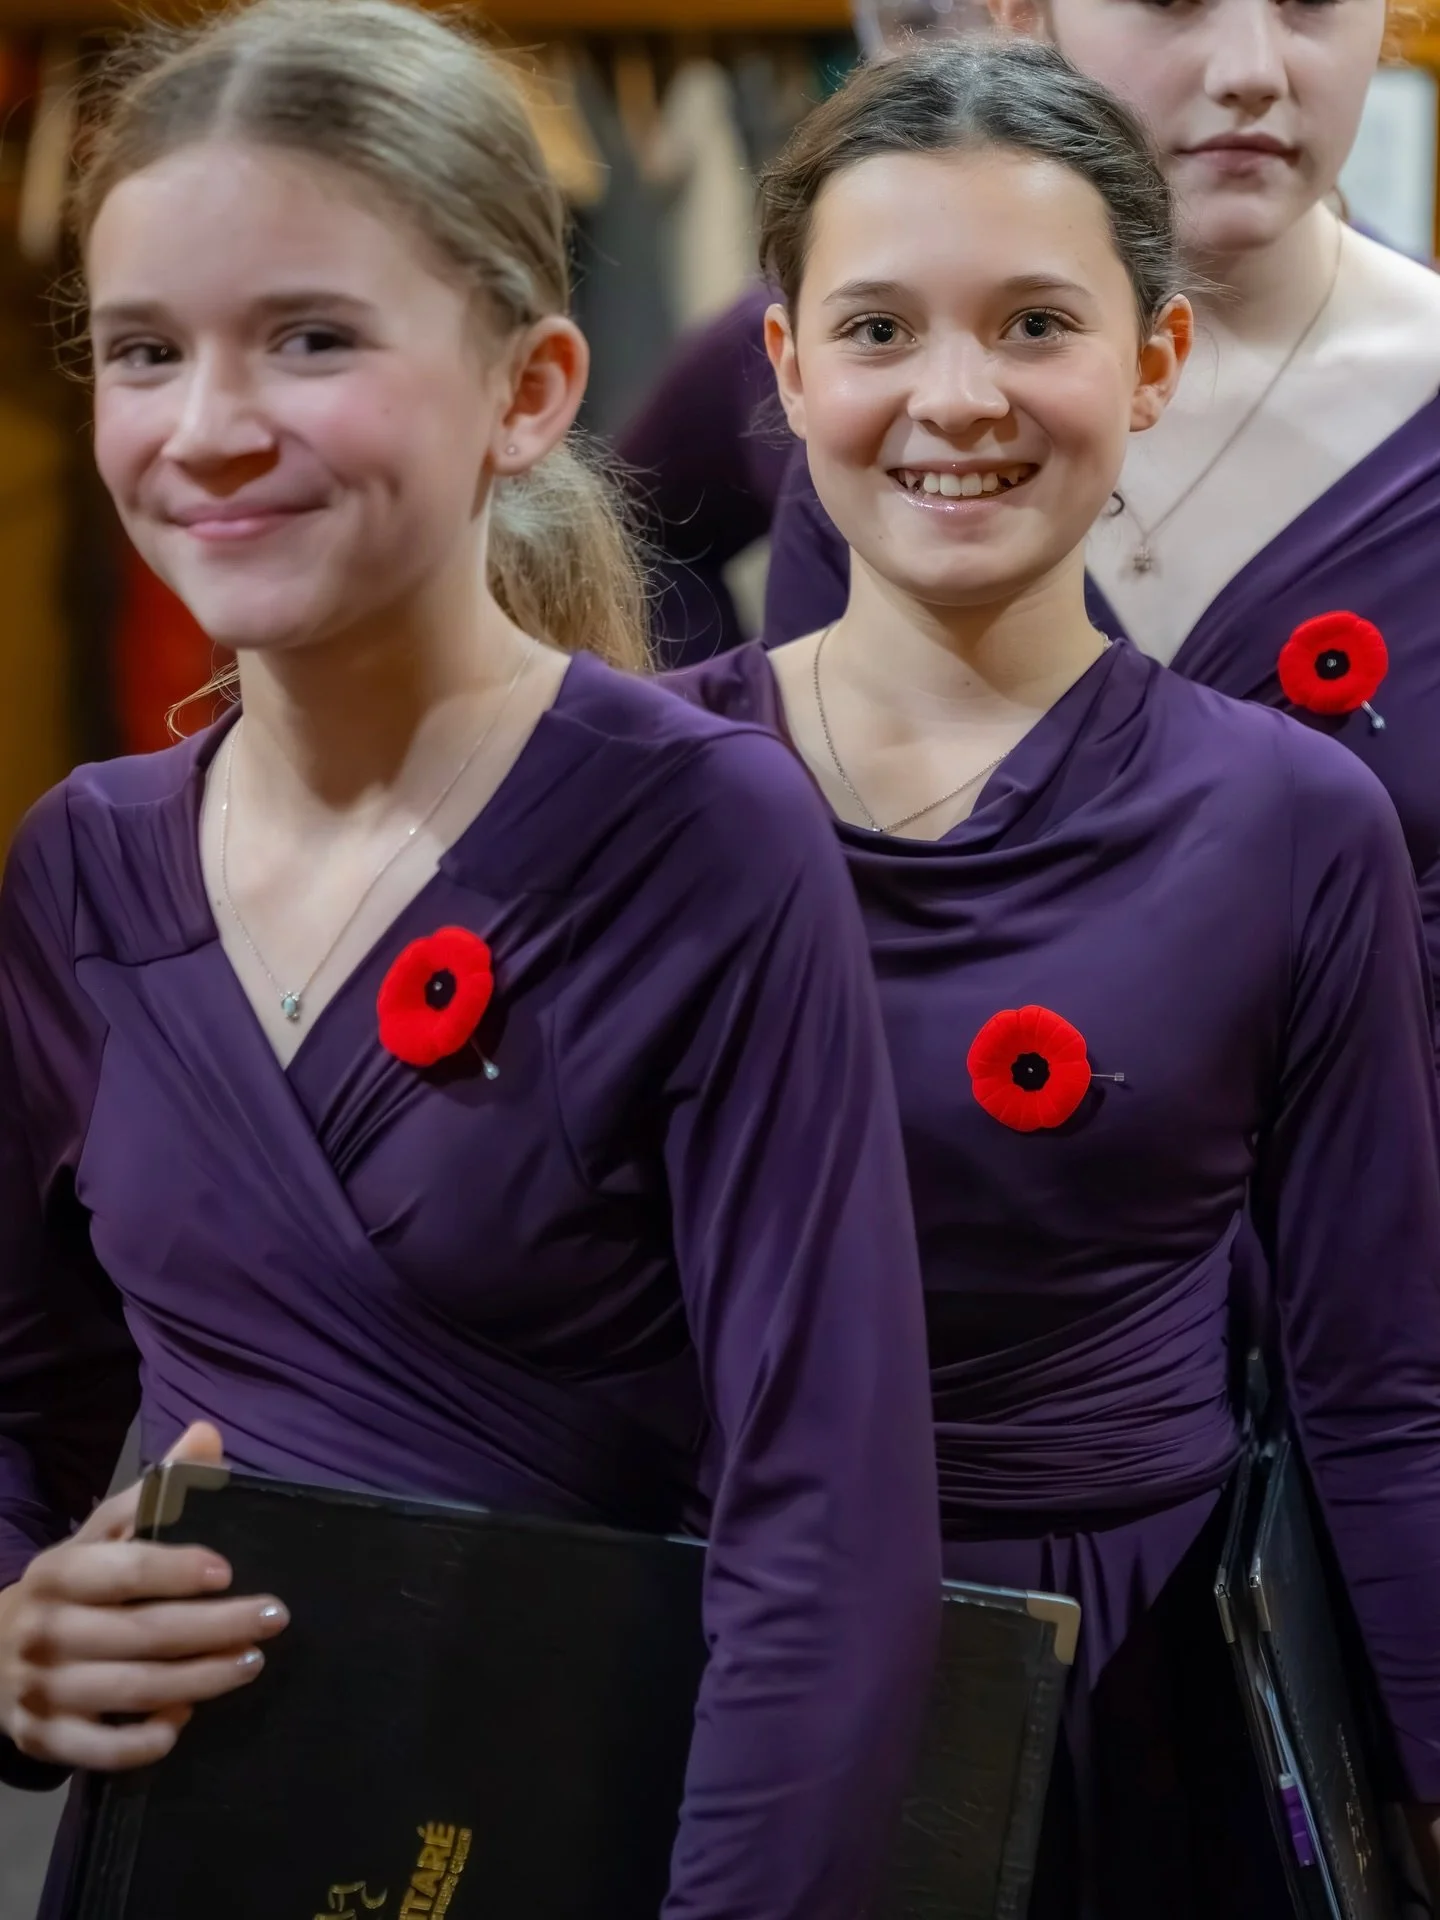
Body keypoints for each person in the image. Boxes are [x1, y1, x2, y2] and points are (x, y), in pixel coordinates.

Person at [0, 5, 945, 1916]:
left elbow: (828, 1533)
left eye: (313, 339)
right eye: (146, 351)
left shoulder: (706, 834)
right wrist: (12, 1627)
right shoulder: (82, 862)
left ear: (529, 389)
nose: (208, 428)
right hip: (195, 1857)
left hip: (599, 1848)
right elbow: (22, 1397)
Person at [667, 40, 1440, 1917]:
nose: (958, 398)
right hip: (701, 1659)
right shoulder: (631, 798)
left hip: (1138, 1687)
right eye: (877, 329)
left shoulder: (1294, 821)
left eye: (1035, 323)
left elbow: (1378, 1370)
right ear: (786, 367)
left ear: (1151, 363)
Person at [762, 0, 1440, 1029]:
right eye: (1172, 0)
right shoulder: (890, 443)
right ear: (1021, 10)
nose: (1252, 70)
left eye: (1308, 0)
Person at [614, 0, 984, 666]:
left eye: (1036, 324)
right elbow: (636, 526)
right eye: (918, 22)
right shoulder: (767, 339)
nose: (961, 53)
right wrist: (713, 701)